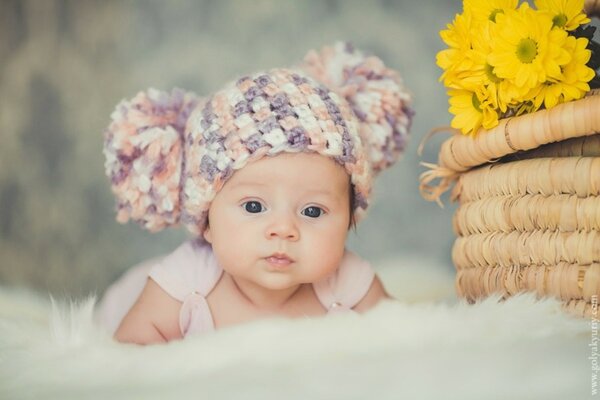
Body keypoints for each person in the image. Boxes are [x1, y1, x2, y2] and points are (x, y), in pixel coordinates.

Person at [96, 42, 413, 345]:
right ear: (206, 221)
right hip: (125, 296)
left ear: (349, 219)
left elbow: (406, 339)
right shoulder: (187, 279)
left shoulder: (348, 283)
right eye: (253, 206)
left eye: (312, 211)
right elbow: (129, 356)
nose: (283, 230)